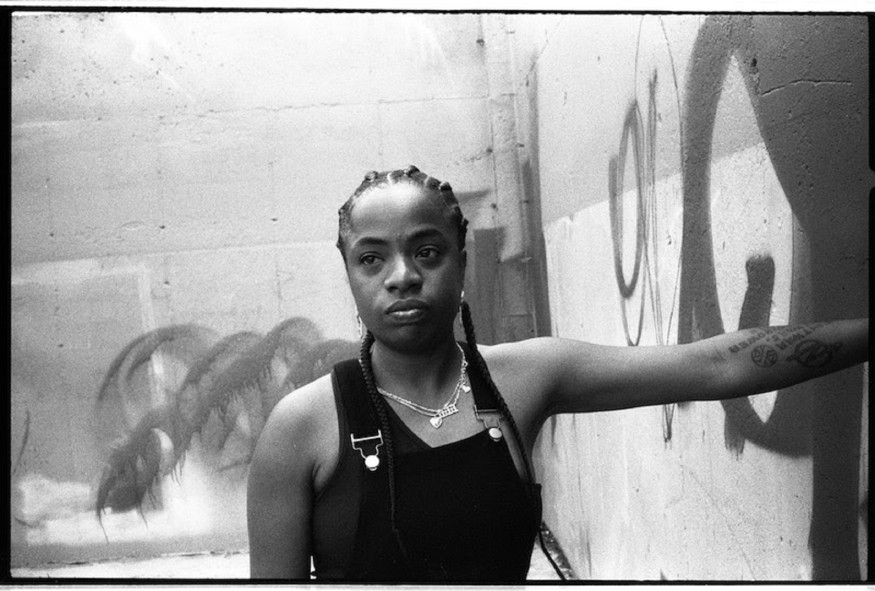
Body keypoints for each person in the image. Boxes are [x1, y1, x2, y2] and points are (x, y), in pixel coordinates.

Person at [246, 165, 868, 581]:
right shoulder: (302, 427)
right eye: (372, 259)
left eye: (427, 251)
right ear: (350, 275)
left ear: (461, 262)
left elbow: (715, 364)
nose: (402, 276)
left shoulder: (526, 378)